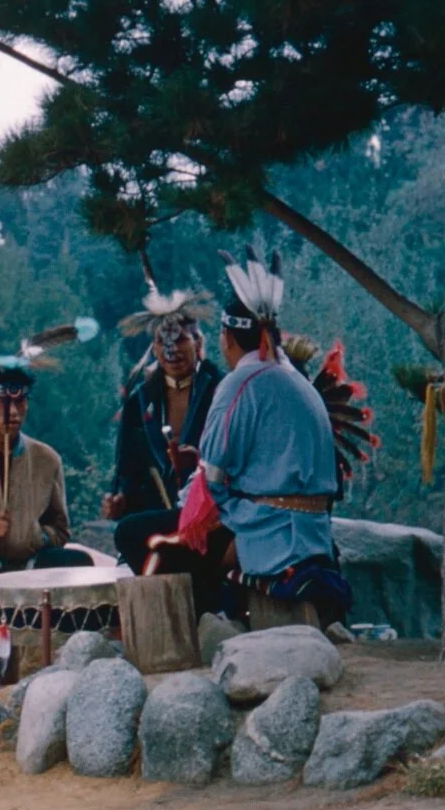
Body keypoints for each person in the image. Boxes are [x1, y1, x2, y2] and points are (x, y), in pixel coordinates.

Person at [158, 250, 377, 633]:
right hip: (312, 531)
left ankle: (203, 633)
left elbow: (213, 482)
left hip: (267, 534)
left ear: (227, 337)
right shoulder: (297, 381)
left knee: (141, 534)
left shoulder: (239, 384)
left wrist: (192, 482)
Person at [0, 320, 102, 634]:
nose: (13, 412)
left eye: (20, 402)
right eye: (2, 403)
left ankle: (72, 645)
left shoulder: (47, 459)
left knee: (78, 563)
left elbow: (60, 528)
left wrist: (34, 536)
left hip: (30, 561)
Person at [105, 284, 232, 614]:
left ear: (199, 343)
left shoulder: (220, 391)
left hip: (211, 516)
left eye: (180, 340)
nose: (171, 350)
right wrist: (119, 500)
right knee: (131, 534)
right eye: (162, 342)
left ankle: (204, 612)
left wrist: (196, 465)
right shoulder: (141, 400)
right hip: (159, 515)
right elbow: (126, 468)